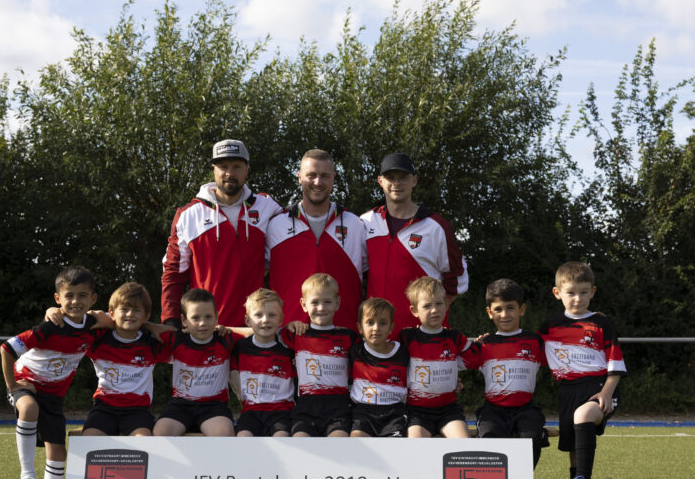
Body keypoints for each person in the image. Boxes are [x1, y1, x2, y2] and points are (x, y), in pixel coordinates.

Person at [0, 266, 100, 479]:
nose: (75, 301)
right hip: (26, 383)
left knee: (58, 452)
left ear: (93, 298)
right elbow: (7, 348)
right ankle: (27, 477)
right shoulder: (49, 326)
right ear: (58, 298)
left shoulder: (93, 324)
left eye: (82, 296)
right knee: (28, 408)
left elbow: (114, 318)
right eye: (69, 296)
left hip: (54, 396)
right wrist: (12, 385)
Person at [161, 139, 283, 328]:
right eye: (223, 167)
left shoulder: (267, 207)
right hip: (206, 328)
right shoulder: (188, 214)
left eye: (236, 167)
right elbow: (173, 272)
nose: (229, 173)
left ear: (247, 169)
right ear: (214, 170)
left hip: (255, 328)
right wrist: (171, 320)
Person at [539, 262, 627, 479]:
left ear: (592, 292)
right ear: (557, 293)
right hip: (567, 390)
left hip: (599, 387)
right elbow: (530, 352)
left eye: (583, 292)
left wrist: (607, 393)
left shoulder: (601, 323)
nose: (577, 298)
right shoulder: (549, 327)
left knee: (583, 415)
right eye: (570, 292)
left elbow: (615, 362)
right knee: (573, 444)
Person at [360, 152, 468, 334]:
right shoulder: (366, 222)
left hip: (423, 336)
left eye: (403, 177)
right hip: (379, 336)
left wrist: (432, 313)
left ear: (414, 180)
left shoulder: (436, 226)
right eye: (390, 177)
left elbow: (458, 281)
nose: (396, 183)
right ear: (380, 181)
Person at [266, 149, 367, 329]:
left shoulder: (356, 225)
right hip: (289, 335)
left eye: (324, 176)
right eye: (311, 175)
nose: (318, 182)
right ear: (299, 177)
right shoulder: (275, 225)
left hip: (343, 335)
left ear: (333, 178)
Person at [475, 279, 550, 468]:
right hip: (493, 410)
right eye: (498, 309)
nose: (504, 314)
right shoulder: (483, 345)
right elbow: (452, 364)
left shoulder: (535, 341)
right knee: (489, 439)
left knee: (531, 438)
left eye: (510, 308)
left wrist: (586, 320)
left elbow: (562, 355)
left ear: (521, 309)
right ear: (489, 313)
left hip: (526, 409)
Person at [81, 282, 170, 438]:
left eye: (136, 310)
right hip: (104, 409)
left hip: (138, 411)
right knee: (89, 440)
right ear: (111, 313)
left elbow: (183, 339)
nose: (130, 314)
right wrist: (53, 310)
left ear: (146, 315)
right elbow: (76, 322)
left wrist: (152, 327)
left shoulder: (152, 343)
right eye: (124, 309)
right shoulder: (98, 340)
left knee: (144, 442)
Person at [399, 277, 481, 439]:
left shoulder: (454, 337)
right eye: (427, 306)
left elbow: (474, 358)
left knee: (463, 441)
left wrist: (484, 344)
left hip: (449, 410)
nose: (434, 310)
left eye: (438, 304)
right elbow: (389, 362)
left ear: (447, 304)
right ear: (414, 310)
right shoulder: (406, 337)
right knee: (414, 443)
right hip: (417, 412)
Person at [279, 273, 359, 437]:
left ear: (337, 303)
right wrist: (288, 325)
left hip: (339, 410)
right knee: (299, 443)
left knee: (340, 442)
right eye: (315, 302)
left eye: (327, 302)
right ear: (304, 304)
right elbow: (265, 334)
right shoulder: (296, 334)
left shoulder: (349, 337)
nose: (321, 308)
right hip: (305, 409)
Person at [152, 288, 238, 437]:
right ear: (184, 320)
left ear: (216, 317)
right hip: (180, 405)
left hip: (214, 407)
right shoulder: (176, 339)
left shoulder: (225, 339)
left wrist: (229, 328)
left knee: (223, 434)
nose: (202, 323)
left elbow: (256, 331)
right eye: (195, 318)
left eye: (208, 317)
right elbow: (145, 325)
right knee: (161, 432)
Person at [229, 288, 296, 437]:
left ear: (281, 320)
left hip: (282, 411)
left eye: (272, 315)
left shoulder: (288, 348)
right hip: (251, 411)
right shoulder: (240, 347)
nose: (265, 320)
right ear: (248, 320)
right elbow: (232, 373)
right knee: (243, 437)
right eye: (258, 315)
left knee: (282, 437)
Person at [349, 298, 410, 437]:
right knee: (356, 443)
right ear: (360, 327)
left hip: (394, 414)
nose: (376, 328)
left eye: (382, 323)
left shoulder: (403, 352)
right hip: (363, 413)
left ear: (391, 328)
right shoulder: (354, 351)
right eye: (370, 322)